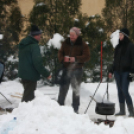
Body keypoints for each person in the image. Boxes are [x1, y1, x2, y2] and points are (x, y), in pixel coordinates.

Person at [57, 27, 90, 113]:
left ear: (77, 35)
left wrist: (75, 59)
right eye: (70, 35)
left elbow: (87, 57)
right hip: (66, 68)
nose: (71, 37)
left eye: (73, 35)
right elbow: (60, 52)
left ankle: (75, 108)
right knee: (63, 88)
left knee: (76, 89)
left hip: (77, 70)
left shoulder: (83, 44)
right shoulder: (65, 43)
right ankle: (59, 106)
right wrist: (62, 59)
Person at [18, 25, 51, 102]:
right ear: (36, 35)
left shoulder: (23, 45)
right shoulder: (34, 46)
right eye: (40, 35)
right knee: (28, 99)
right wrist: (46, 74)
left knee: (28, 95)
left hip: (23, 74)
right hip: (30, 76)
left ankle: (25, 111)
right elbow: (37, 63)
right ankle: (22, 112)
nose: (40, 37)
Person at [109, 28, 134, 117]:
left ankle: (131, 111)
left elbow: (133, 60)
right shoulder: (118, 47)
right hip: (117, 72)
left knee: (124, 90)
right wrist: (111, 70)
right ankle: (122, 110)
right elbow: (115, 60)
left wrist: (132, 72)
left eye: (121, 35)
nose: (119, 37)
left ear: (125, 36)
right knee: (119, 91)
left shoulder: (131, 46)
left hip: (126, 72)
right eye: (119, 35)